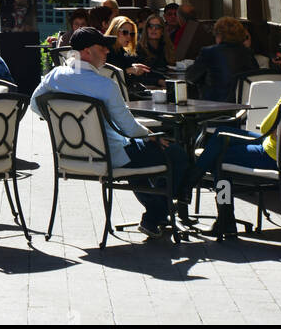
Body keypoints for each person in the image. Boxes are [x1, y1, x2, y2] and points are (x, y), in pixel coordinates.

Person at [31, 27, 189, 238]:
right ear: (86, 52)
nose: (107, 51)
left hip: (71, 155)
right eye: (102, 47)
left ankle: (156, 214)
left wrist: (59, 118)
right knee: (176, 154)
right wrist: (151, 134)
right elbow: (128, 127)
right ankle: (160, 211)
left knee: (139, 155)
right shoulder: (105, 85)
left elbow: (34, 105)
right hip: (111, 155)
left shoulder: (54, 77)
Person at [190, 40, 281, 234]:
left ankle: (221, 215)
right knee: (220, 135)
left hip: (274, 154)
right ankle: (189, 184)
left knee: (219, 156)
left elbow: (266, 126)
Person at [185, 16, 257, 102]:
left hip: (213, 105)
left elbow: (191, 77)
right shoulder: (247, 52)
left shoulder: (208, 52)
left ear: (218, 35)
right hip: (241, 104)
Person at [104, 16, 151, 85]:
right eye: (125, 32)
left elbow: (123, 65)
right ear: (115, 31)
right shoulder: (105, 50)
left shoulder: (122, 51)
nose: (129, 36)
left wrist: (133, 67)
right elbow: (106, 74)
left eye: (132, 34)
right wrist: (129, 70)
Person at [136, 13, 175, 85]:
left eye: (157, 27)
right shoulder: (139, 49)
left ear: (162, 31)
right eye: (150, 26)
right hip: (148, 87)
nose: (153, 29)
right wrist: (158, 81)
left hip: (167, 83)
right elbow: (137, 77)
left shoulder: (167, 47)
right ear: (146, 29)